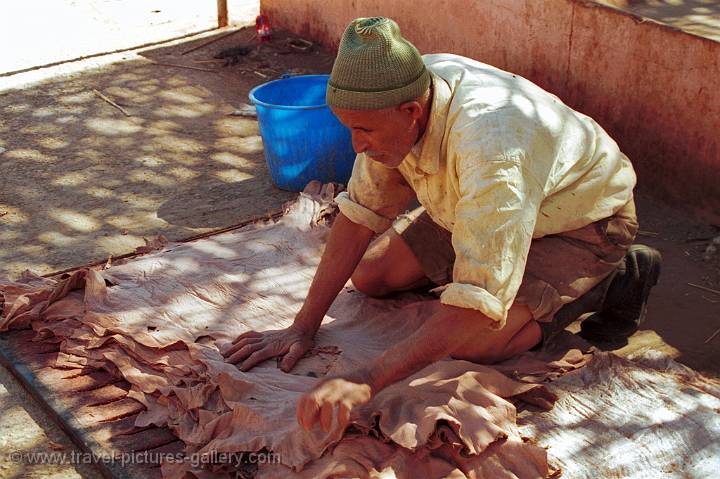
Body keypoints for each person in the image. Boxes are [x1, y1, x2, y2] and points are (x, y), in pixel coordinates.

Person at [224, 16, 661, 434]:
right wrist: (302, 326)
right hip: (476, 205)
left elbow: (477, 301)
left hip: (580, 222)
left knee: (474, 342)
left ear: (412, 111)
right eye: (349, 129)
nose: (356, 145)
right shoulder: (399, 90)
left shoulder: (493, 149)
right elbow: (359, 215)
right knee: (372, 274)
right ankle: (478, 269)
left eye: (364, 131)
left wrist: (367, 378)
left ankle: (612, 279)